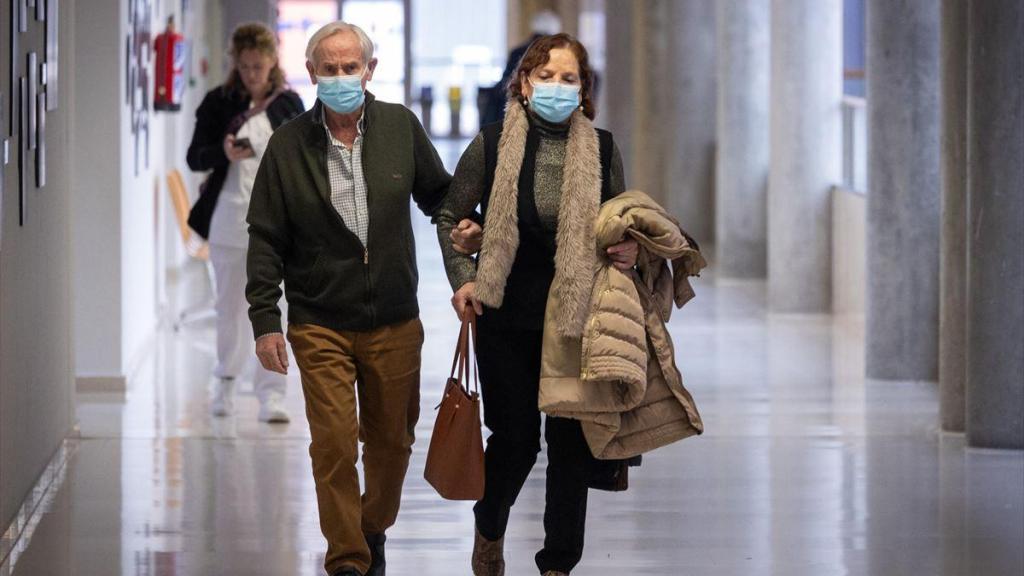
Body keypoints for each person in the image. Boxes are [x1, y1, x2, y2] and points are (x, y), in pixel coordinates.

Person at [245, 21, 452, 576]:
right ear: (311, 74)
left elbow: (440, 196)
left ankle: (372, 527)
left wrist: (475, 229)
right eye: (329, 69)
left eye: (350, 67)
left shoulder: (400, 129)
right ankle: (348, 559)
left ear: (369, 70)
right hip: (319, 321)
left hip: (393, 318)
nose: (340, 77)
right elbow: (265, 236)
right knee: (334, 444)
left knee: (391, 441)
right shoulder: (288, 146)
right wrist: (266, 319)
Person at [434, 33, 639, 576]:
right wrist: (463, 278)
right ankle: (490, 523)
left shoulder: (603, 150)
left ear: (583, 89)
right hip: (508, 312)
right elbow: (449, 214)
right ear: (524, 83)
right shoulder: (494, 142)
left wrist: (629, 248)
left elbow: (621, 227)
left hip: (578, 315)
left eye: (568, 79)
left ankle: (557, 564)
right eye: (544, 76)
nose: (555, 87)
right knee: (518, 438)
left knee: (570, 443)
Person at [186, 22, 304, 422]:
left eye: (259, 65)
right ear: (235, 63)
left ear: (273, 61)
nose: (252, 73)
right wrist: (221, 152)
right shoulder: (218, 102)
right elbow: (194, 157)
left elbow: (306, 159)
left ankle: (272, 394)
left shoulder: (289, 106)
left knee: (278, 308)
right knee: (229, 310)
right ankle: (225, 384)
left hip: (279, 224)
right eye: (245, 66)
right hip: (227, 220)